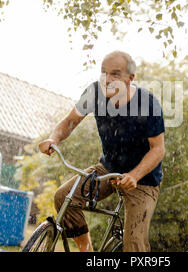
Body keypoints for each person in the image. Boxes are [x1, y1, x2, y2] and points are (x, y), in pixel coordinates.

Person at [38, 50, 165, 252]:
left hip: (143, 180)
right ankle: (87, 251)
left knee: (134, 246)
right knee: (64, 198)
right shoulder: (94, 93)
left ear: (131, 78)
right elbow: (70, 121)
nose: (107, 79)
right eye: (104, 72)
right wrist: (54, 138)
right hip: (108, 170)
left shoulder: (148, 103)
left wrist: (134, 175)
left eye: (115, 74)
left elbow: (158, 150)